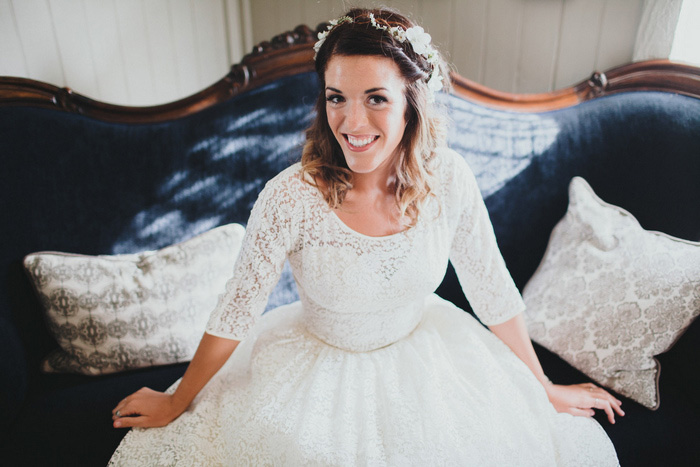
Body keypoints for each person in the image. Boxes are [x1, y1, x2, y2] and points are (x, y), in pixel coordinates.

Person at [109, 8, 623, 465]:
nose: (352, 122)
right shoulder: (289, 197)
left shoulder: (449, 178)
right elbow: (238, 307)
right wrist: (178, 401)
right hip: (310, 371)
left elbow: (490, 286)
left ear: (411, 103)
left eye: (376, 98)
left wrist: (544, 387)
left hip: (429, 363)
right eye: (337, 98)